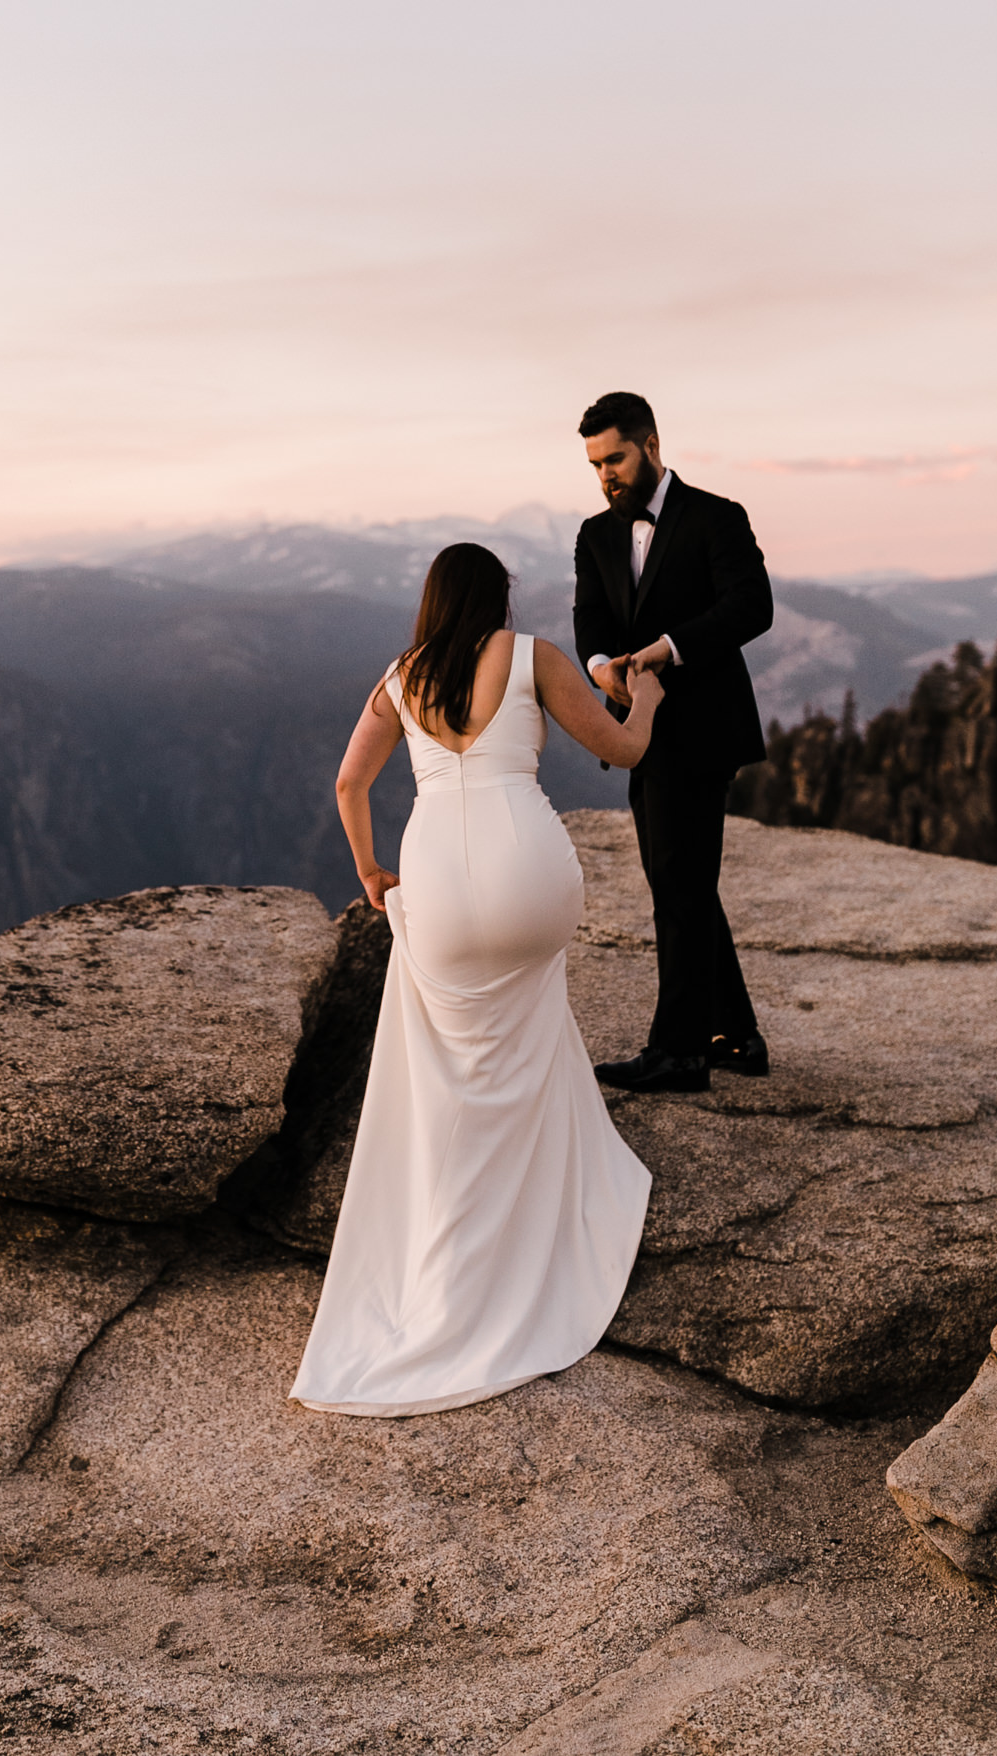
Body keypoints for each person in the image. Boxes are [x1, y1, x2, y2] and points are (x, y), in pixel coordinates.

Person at [290, 542, 661, 1418]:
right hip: (530, 877)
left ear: (430, 602)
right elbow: (625, 747)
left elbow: (349, 781)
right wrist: (644, 694)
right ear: (498, 599)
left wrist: (372, 872)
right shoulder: (531, 657)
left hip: (441, 890)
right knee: (530, 1015)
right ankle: (552, 1203)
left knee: (459, 1065)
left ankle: (463, 1245)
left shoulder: (398, 677)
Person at [573, 390, 774, 1096]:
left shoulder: (716, 517)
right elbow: (591, 620)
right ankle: (734, 1033)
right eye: (595, 463)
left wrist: (663, 650)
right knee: (680, 881)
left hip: (703, 728)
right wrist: (603, 670)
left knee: (677, 886)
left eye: (616, 458)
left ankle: (679, 1052)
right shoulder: (594, 536)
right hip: (636, 732)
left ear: (651, 445)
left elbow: (751, 607)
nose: (605, 475)